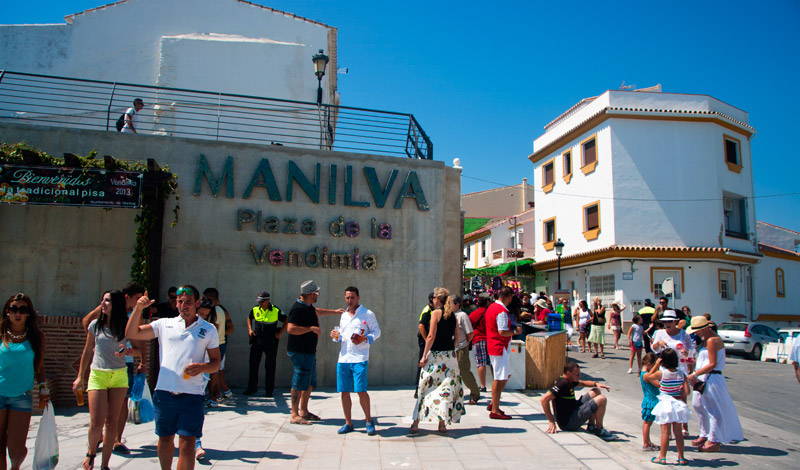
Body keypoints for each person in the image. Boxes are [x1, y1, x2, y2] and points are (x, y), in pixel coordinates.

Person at [125, 285, 220, 470]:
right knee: (165, 439)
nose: (184, 305)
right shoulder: (164, 324)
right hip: (164, 394)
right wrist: (138, 309)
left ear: (197, 303)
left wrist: (202, 367)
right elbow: (132, 333)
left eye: (188, 302)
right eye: (180, 302)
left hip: (192, 396)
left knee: (187, 443)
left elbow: (216, 363)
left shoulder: (208, 330)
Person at [82, 281, 146, 455]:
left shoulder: (134, 314)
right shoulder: (107, 308)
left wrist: (142, 361)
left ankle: (116, 439)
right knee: (99, 411)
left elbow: (139, 339)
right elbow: (87, 322)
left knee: (122, 402)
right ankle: (96, 440)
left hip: (124, 364)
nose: (139, 301)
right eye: (137, 298)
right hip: (102, 366)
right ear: (127, 297)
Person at [74, 290, 135, 470]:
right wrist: (79, 377)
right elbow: (87, 351)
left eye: (107, 300)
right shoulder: (95, 325)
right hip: (98, 374)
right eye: (102, 300)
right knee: (96, 421)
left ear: (115, 304)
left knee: (111, 421)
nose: (103, 303)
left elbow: (139, 350)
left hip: (118, 375)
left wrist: (128, 351)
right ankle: (91, 451)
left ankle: (105, 465)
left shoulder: (126, 326)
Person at [0, 293, 47, 470]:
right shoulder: (0, 333)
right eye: (13, 309)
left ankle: (15, 467)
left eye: (22, 309)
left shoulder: (36, 336)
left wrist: (43, 387)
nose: (17, 313)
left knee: (16, 448)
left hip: (22, 396)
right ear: (7, 311)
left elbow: (40, 365)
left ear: (28, 313)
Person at [286, 280, 342, 425]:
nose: (318, 295)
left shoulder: (308, 307)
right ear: (311, 294)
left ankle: (303, 410)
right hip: (300, 352)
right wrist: (310, 329)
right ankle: (294, 414)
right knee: (298, 383)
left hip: (309, 352)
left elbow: (317, 311)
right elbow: (291, 329)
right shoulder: (297, 308)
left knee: (309, 382)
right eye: (317, 293)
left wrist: (334, 312)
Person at [410, 288, 464, 433]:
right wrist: (451, 348)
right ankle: (442, 424)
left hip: (435, 356)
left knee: (425, 387)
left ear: (437, 299)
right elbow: (457, 336)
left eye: (433, 297)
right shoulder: (452, 314)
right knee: (445, 390)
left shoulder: (435, 313)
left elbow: (430, 336)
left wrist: (424, 355)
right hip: (449, 357)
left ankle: (416, 423)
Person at [686, 316, 743, 452]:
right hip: (704, 376)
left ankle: (714, 439)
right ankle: (704, 433)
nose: (696, 333)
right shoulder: (706, 340)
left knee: (713, 409)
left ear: (705, 328)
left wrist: (695, 374)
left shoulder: (712, 340)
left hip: (711, 377)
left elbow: (712, 364)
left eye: (698, 330)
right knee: (698, 405)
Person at [330, 286, 380, 435]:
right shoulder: (344, 315)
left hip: (360, 358)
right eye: (347, 298)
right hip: (344, 358)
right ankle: (348, 423)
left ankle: (368, 421)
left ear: (358, 297)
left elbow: (377, 332)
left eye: (352, 297)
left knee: (361, 390)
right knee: (344, 391)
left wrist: (365, 338)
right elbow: (342, 337)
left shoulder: (367, 314)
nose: (349, 301)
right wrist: (336, 336)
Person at [540, 361, 615, 440]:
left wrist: (596, 384)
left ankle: (591, 426)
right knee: (602, 399)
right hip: (568, 423)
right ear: (569, 373)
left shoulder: (568, 380)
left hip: (573, 411)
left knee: (596, 391)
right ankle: (599, 429)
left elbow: (584, 383)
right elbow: (544, 399)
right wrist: (551, 421)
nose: (579, 376)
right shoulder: (562, 383)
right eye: (577, 374)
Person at [646, 349, 690, 465]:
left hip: (665, 403)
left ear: (662, 361)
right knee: (678, 433)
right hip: (677, 403)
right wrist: (679, 390)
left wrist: (656, 365)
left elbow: (648, 377)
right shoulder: (682, 374)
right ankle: (681, 457)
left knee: (665, 432)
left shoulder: (662, 373)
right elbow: (687, 392)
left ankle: (662, 457)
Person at [485, 286, 520, 420]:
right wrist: (516, 332)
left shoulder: (493, 307)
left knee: (505, 375)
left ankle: (494, 402)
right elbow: (502, 332)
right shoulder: (501, 311)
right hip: (499, 346)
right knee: (500, 377)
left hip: (496, 346)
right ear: (509, 297)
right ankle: (494, 409)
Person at [244, 291, 287, 397]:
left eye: (262, 301)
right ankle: (252, 388)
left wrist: (279, 334)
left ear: (268, 301)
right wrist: (250, 329)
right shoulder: (255, 309)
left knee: (270, 366)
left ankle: (269, 390)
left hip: (271, 341)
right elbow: (249, 317)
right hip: (257, 339)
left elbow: (286, 320)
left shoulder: (276, 310)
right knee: (253, 364)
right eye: (259, 301)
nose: (260, 303)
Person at [202, 288, 234, 400]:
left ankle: (213, 398)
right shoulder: (220, 310)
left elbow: (214, 329)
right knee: (216, 371)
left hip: (217, 345)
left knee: (214, 372)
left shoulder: (215, 311)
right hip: (220, 343)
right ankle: (221, 394)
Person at [453, 295, 480, 405]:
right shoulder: (450, 315)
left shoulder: (462, 316)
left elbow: (470, 333)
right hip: (452, 349)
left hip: (461, 348)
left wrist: (465, 344)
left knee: (464, 372)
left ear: (457, 304)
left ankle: (475, 394)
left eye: (451, 303)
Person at [468, 293, 491, 393]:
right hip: (490, 339)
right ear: (487, 303)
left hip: (478, 339)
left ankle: (483, 385)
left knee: (481, 363)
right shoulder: (489, 313)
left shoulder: (473, 314)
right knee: (492, 363)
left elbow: (469, 328)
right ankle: (496, 384)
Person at [639, 352, 660, 452]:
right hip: (651, 400)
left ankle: (648, 441)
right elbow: (658, 384)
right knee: (647, 423)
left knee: (648, 422)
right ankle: (645, 443)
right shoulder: (646, 375)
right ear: (649, 364)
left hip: (650, 398)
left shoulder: (644, 373)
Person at [415, 292, 435, 398]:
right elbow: (421, 326)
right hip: (425, 341)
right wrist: (426, 339)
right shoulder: (427, 310)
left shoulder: (434, 310)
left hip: (429, 340)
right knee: (422, 362)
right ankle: (417, 388)